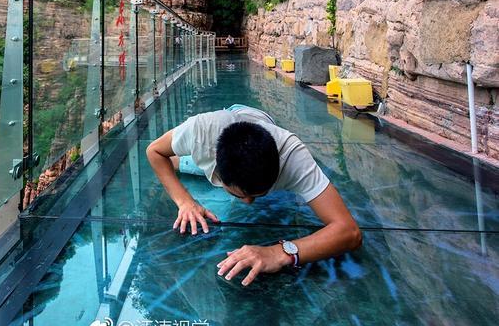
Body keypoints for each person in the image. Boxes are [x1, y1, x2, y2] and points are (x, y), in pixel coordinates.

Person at [146, 104, 362, 286]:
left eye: (260, 194)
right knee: (175, 163)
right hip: (223, 126)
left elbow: (350, 232)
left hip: (258, 118)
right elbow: (154, 151)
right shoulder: (199, 134)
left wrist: (281, 253)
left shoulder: (294, 159)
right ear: (216, 168)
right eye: (240, 195)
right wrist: (185, 202)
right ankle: (191, 165)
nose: (249, 203)